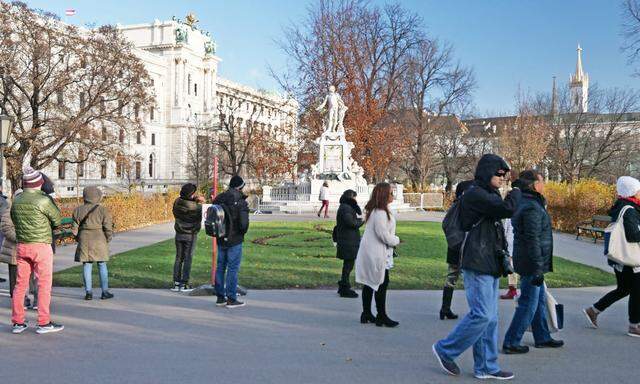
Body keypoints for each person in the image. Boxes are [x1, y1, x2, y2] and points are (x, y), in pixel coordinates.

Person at [432, 154, 521, 380]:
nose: (502, 178)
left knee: (490, 318)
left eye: (504, 175)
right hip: (476, 261)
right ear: (487, 172)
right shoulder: (476, 194)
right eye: (499, 174)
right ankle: (445, 349)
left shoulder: (487, 194)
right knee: (482, 315)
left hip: (488, 261)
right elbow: (507, 209)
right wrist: (517, 192)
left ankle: (486, 367)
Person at [502, 170, 564, 354]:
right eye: (542, 181)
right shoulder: (531, 206)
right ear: (534, 184)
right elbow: (532, 238)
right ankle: (511, 341)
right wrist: (537, 268)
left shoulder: (528, 202)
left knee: (537, 301)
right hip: (531, 262)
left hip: (530, 259)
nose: (544, 185)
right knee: (528, 302)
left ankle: (542, 336)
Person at [583, 176, 640, 338]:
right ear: (632, 192)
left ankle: (593, 311)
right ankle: (634, 325)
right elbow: (633, 235)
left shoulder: (623, 207)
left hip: (620, 258)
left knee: (624, 289)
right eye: (639, 190)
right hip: (630, 258)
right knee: (637, 290)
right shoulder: (629, 210)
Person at [10, 167, 63, 334]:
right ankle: (43, 322)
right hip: (41, 245)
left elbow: (13, 219)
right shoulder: (43, 200)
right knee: (44, 284)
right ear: (39, 183)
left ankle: (18, 322)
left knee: (20, 285)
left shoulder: (17, 200)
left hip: (22, 246)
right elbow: (57, 220)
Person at [355, 182, 400, 327]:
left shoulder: (376, 211)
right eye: (391, 193)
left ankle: (367, 313)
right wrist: (396, 240)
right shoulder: (380, 213)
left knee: (370, 283)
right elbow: (383, 235)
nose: (393, 195)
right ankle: (381, 315)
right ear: (384, 195)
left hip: (372, 252)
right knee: (381, 283)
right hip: (377, 253)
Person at [213, 175, 249, 308]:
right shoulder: (240, 202)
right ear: (240, 187)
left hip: (221, 237)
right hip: (235, 239)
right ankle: (231, 298)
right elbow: (243, 225)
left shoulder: (220, 198)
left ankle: (220, 297)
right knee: (233, 269)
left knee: (220, 267)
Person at [73, 186, 114, 301]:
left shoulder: (78, 210)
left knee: (87, 265)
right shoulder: (102, 210)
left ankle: (88, 292)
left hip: (84, 239)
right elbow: (108, 227)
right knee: (102, 264)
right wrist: (108, 237)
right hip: (99, 238)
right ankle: (104, 291)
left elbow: (74, 229)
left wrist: (78, 238)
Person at [440, 180, 474, 320]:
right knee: (471, 278)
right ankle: (474, 311)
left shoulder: (456, 206)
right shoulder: (463, 207)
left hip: (455, 246)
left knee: (452, 277)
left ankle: (445, 308)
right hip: (463, 245)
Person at [171, 183, 204, 292]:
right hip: (190, 235)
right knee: (188, 259)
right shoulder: (196, 206)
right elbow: (199, 217)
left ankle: (176, 283)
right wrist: (199, 202)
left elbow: (183, 204)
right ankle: (185, 283)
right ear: (191, 194)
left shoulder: (177, 202)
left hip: (179, 234)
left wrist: (194, 199)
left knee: (178, 258)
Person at [335, 189, 364, 298]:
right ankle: (344, 287)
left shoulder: (345, 207)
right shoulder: (346, 208)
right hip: (348, 240)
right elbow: (351, 222)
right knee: (348, 265)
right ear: (351, 198)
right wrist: (362, 221)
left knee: (348, 265)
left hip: (347, 239)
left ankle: (343, 285)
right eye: (355, 197)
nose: (356, 199)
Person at [500, 218, 519, 300]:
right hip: (511, 244)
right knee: (512, 269)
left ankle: (513, 291)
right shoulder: (511, 215)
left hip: (513, 245)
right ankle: (512, 290)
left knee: (512, 269)